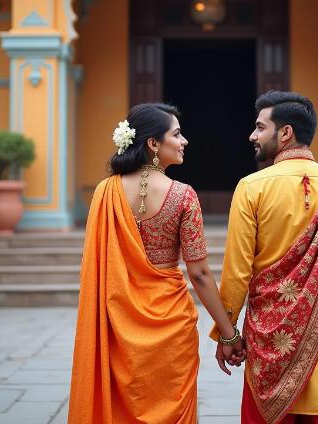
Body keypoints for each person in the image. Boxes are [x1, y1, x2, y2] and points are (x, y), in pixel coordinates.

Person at [69, 103, 244, 424]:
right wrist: (229, 332)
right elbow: (200, 273)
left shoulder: (105, 192)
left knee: (120, 404)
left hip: (117, 317)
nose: (184, 141)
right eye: (176, 134)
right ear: (153, 143)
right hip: (170, 320)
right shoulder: (183, 196)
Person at [210, 90, 318, 424]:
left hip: (269, 347)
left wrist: (228, 334)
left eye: (259, 127)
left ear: (285, 133)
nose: (252, 136)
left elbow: (237, 272)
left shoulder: (251, 187)